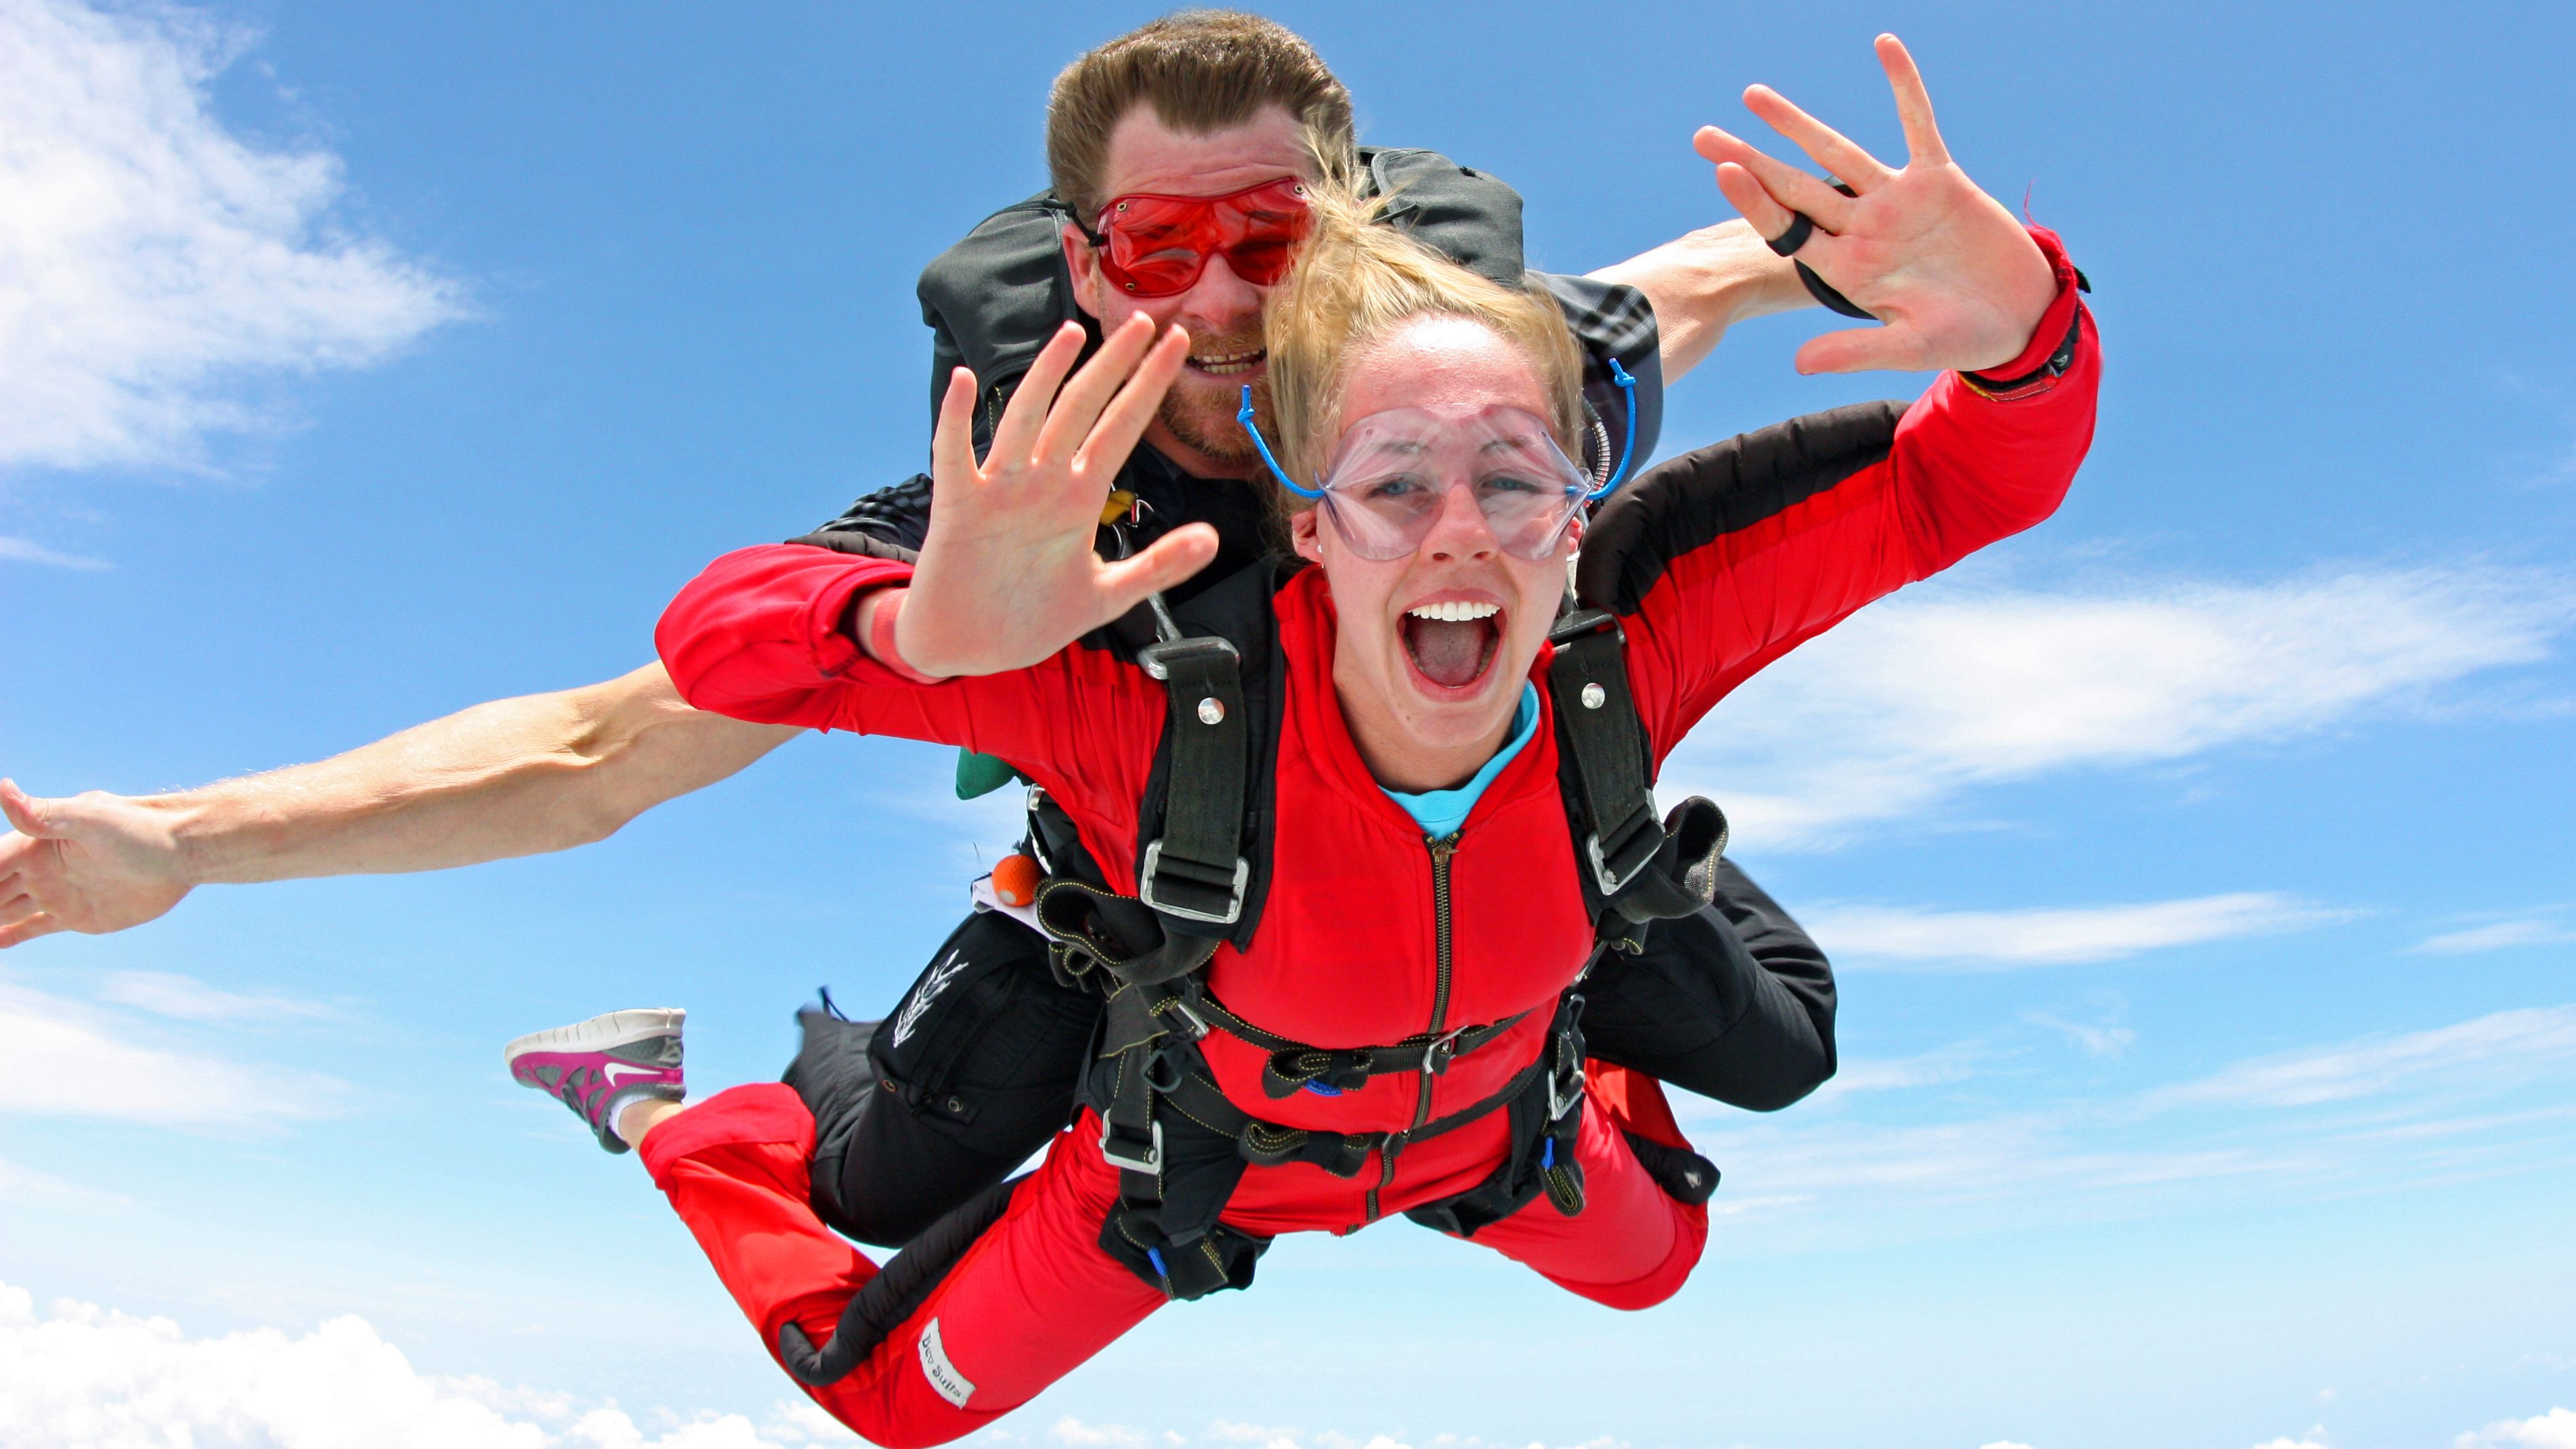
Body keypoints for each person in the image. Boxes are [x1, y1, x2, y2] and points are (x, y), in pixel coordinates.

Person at [0, 12, 1840, 1247]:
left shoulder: (1481, 383)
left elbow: (1698, 282)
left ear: (1352, 231)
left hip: (1488, 838)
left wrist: (1858, 259)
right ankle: (645, 1084)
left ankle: (1477, 1013)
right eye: (1149, 251)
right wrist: (182, 841)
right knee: (890, 1191)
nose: (1210, 306)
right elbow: (601, 749)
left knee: (1776, 1044)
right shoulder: (1005, 514)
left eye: (1272, 241)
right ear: (1076, 255)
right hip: (1147, 888)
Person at [511, 36, 2099, 1445]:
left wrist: (2029, 315)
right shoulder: (1138, 697)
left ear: (1584, 509)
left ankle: (1575, 903)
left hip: (1493, 1120)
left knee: (1674, 1239)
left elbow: (1978, 471)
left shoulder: (1635, 625)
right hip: (1185, 1164)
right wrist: (920, 631)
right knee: (879, 1365)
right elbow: (717, 633)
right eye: (1397, 478)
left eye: (1520, 477)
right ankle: (664, 1107)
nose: (1460, 534)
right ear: (1309, 520)